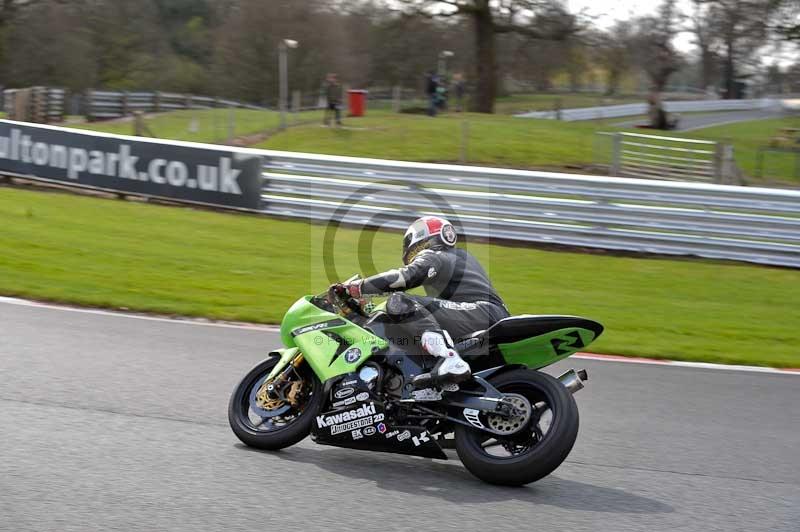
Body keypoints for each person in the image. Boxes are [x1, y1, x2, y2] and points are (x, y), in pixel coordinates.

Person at [332, 216, 509, 388]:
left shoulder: (435, 254)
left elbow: (406, 277)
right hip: (482, 314)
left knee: (399, 300)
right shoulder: (457, 256)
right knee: (406, 314)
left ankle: (449, 359)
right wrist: (368, 309)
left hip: (481, 313)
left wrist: (357, 287)